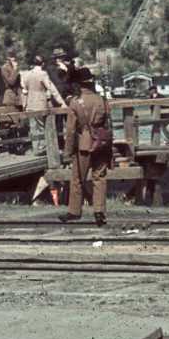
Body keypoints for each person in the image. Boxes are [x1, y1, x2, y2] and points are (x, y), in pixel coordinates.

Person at [58, 68, 112, 227]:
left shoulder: (75, 102)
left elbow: (70, 130)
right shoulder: (102, 100)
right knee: (100, 178)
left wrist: (67, 152)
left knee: (77, 179)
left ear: (80, 85)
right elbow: (108, 124)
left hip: (84, 144)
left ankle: (74, 212)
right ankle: (99, 212)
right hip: (101, 144)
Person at [22, 55, 65, 157]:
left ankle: (36, 149)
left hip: (30, 104)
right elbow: (52, 88)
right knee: (43, 126)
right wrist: (61, 102)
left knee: (33, 127)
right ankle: (43, 149)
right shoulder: (43, 74)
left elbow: (24, 91)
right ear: (42, 64)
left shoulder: (27, 74)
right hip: (41, 103)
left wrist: (24, 104)